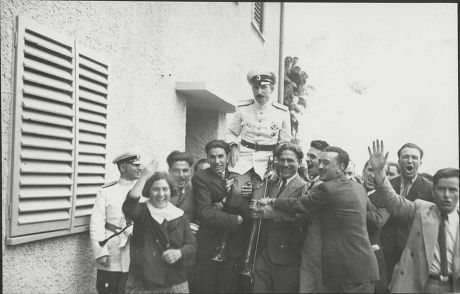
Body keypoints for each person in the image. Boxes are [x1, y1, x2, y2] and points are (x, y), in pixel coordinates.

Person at [259, 146, 379, 293]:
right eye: (320, 161)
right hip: (363, 267)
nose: (320, 166)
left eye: (326, 163)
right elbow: (376, 218)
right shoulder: (358, 188)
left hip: (348, 271)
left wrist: (271, 201)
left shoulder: (328, 188)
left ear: (341, 167)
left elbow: (300, 204)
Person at [367, 140, 459, 293]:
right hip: (422, 282)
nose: (447, 195)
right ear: (434, 191)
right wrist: (379, 172)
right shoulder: (422, 209)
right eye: (442, 189)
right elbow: (393, 200)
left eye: (453, 190)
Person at [122, 160, 197, 293]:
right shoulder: (142, 211)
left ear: (171, 190)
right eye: (156, 189)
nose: (161, 194)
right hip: (143, 283)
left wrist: (179, 252)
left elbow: (192, 245)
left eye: (165, 189)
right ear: (149, 191)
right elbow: (128, 207)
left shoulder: (179, 215)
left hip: (175, 282)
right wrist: (143, 177)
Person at [226, 67, 291, 214]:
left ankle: (254, 234)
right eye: (255, 87)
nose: (259, 92)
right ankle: (233, 224)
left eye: (264, 87)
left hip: (268, 162)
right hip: (243, 159)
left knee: (258, 202)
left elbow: (285, 143)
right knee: (236, 192)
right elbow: (231, 132)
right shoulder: (243, 108)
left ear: (272, 88)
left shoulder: (282, 112)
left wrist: (276, 165)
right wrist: (233, 146)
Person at [249, 143, 307, 293]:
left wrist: (270, 213)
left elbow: (301, 218)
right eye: (281, 160)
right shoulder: (271, 182)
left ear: (299, 163)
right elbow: (257, 200)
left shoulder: (304, 187)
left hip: (287, 257)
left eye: (290, 160)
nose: (285, 164)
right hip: (263, 252)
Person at [192, 140, 247, 293]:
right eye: (212, 157)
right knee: (207, 287)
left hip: (234, 244)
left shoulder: (238, 175)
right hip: (210, 243)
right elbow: (205, 212)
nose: (217, 161)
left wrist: (231, 199)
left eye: (221, 156)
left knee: (228, 288)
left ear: (228, 156)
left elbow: (246, 205)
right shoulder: (201, 177)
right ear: (207, 158)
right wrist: (235, 219)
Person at [379, 143, 433, 284]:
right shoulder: (387, 185)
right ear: (399, 162)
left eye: (414, 157)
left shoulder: (430, 189)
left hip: (413, 251)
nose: (410, 161)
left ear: (420, 162)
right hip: (387, 250)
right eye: (405, 157)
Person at [90, 151, 142, 294]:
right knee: (108, 289)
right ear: (123, 168)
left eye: (140, 165)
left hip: (136, 249)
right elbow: (96, 223)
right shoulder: (106, 191)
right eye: (135, 165)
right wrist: (100, 252)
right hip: (113, 250)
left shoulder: (144, 191)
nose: (140, 169)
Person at [166, 151, 198, 293]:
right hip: (163, 253)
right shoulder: (160, 191)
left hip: (186, 256)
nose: (181, 175)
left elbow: (203, 215)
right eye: (176, 171)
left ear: (191, 171)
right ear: (169, 171)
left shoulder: (196, 191)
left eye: (185, 170)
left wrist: (196, 227)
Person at [300, 139, 329, 293]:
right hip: (307, 251)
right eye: (307, 156)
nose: (307, 160)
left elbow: (301, 211)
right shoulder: (309, 184)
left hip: (320, 256)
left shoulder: (325, 187)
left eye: (312, 157)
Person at [362, 160, 390, 293]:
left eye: (377, 172)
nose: (372, 175)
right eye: (369, 170)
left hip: (373, 256)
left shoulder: (387, 197)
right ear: (363, 172)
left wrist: (356, 202)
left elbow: (378, 221)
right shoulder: (349, 190)